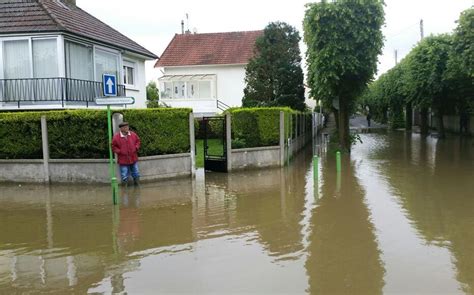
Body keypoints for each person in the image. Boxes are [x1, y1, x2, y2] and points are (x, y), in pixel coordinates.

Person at [112, 122, 141, 186]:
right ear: (121, 128)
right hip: (123, 159)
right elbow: (113, 146)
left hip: (133, 157)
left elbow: (138, 141)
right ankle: (125, 188)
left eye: (127, 127)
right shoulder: (116, 137)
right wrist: (120, 151)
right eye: (125, 127)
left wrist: (136, 148)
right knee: (124, 174)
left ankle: (137, 185)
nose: (127, 128)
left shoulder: (133, 134)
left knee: (136, 172)